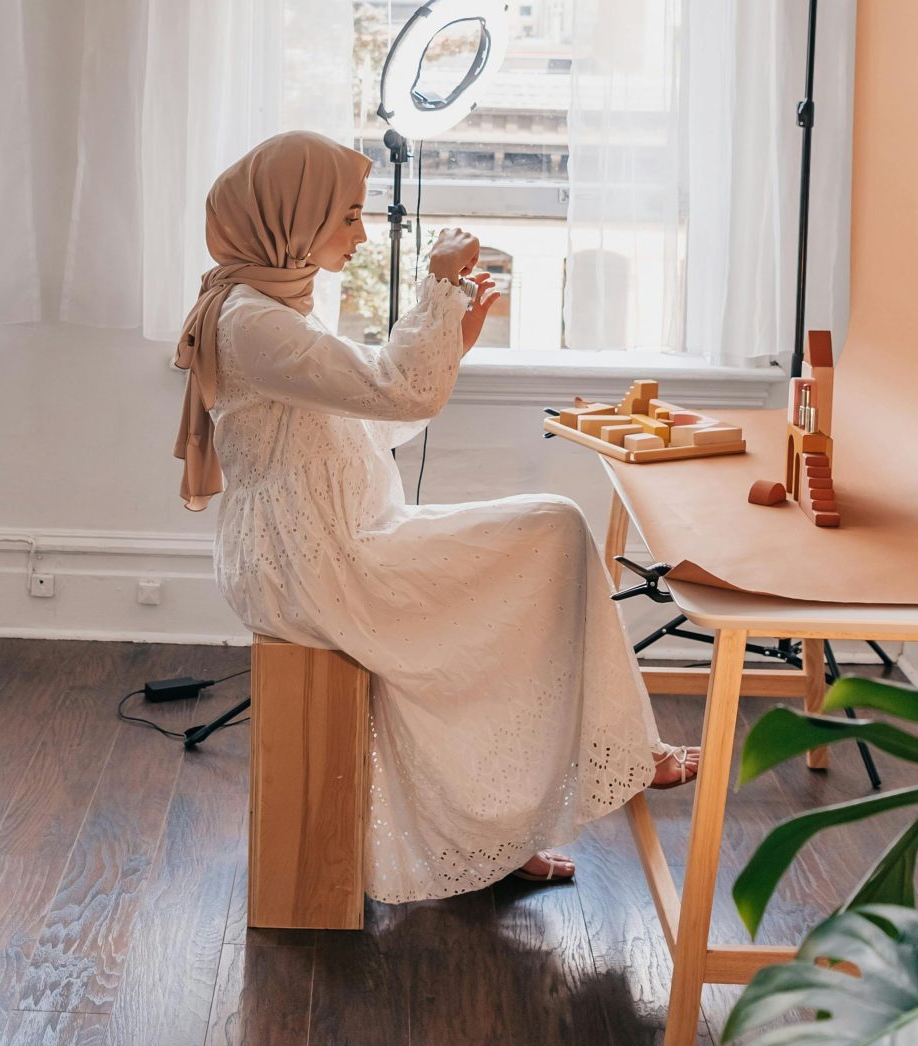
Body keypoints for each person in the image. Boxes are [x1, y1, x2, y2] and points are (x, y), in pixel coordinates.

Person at [173, 130, 699, 899]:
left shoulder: (272, 306)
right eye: (347, 216)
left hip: (341, 544)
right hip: (315, 564)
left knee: (539, 553)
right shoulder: (253, 321)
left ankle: (500, 829)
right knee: (553, 531)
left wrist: (455, 334)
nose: (361, 234)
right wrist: (437, 285)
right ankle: (614, 760)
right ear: (292, 215)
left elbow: (376, 422)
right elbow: (400, 394)